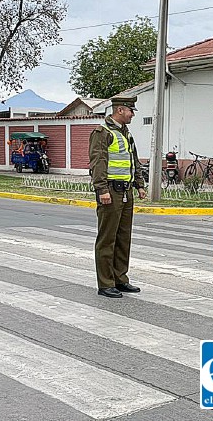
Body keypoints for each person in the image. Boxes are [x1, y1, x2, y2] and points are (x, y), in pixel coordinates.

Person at [89, 96, 146, 298]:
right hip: (110, 191)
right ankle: (105, 283)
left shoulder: (125, 133)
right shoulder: (102, 132)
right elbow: (98, 163)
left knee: (123, 238)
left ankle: (120, 279)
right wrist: (102, 189)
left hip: (126, 191)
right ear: (120, 110)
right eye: (131, 111)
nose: (132, 115)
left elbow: (133, 161)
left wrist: (139, 185)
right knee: (107, 238)